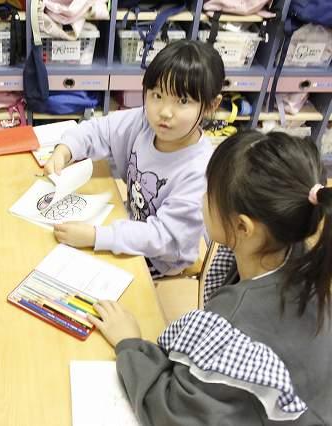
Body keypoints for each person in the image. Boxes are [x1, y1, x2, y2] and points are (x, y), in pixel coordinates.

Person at [88, 130, 332, 425]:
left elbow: (171, 413)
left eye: (210, 192)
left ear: (243, 227)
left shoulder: (234, 325)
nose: (202, 198)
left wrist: (129, 343)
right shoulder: (303, 260)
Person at [44, 40, 225, 277]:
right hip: (129, 228)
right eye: (157, 95)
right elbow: (100, 129)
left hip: (161, 260)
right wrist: (66, 149)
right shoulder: (145, 122)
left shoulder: (199, 171)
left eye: (182, 101)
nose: (164, 112)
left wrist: (97, 236)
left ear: (211, 105)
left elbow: (164, 238)